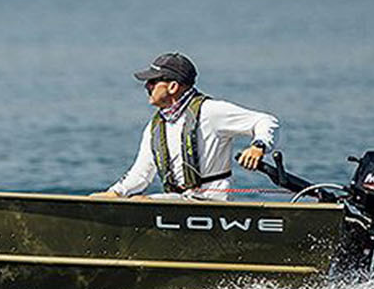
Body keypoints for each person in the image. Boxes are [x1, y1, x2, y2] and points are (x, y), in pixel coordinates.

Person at [89, 52, 279, 201]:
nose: (147, 86)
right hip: (178, 201)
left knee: (140, 202)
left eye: (153, 81)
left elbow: (265, 120)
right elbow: (141, 174)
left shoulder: (211, 112)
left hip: (212, 202)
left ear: (172, 87)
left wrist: (258, 147)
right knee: (134, 201)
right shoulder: (155, 127)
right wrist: (114, 194)